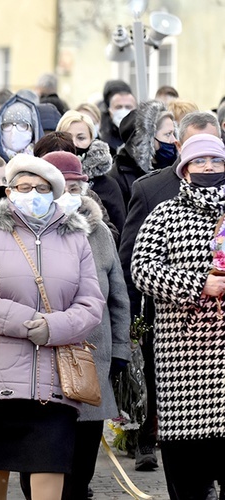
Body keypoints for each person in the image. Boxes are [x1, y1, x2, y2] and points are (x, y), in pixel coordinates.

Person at [0, 154, 104, 500]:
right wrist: (28, 324)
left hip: (54, 381)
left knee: (49, 464)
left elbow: (91, 304)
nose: (33, 194)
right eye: (24, 187)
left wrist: (53, 327)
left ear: (54, 194)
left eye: (42, 188)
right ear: (9, 192)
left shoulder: (76, 238)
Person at [20, 151, 131, 500]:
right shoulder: (23, 231)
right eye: (61, 185)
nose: (69, 192)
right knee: (38, 457)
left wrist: (120, 352)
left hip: (90, 359)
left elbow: (118, 298)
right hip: (36, 358)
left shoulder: (99, 233)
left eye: (75, 185)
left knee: (81, 462)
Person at [117, 111, 221, 473]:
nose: (208, 166)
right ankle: (146, 438)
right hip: (182, 350)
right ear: (184, 162)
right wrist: (197, 284)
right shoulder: (159, 205)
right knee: (189, 467)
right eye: (199, 159)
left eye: (215, 158)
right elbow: (138, 266)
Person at [56, 110, 126, 234]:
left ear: (92, 141)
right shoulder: (46, 181)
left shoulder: (107, 184)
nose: (74, 144)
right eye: (67, 137)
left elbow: (119, 232)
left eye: (81, 138)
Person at [110, 100, 175, 209]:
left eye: (173, 133)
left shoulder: (174, 169)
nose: (173, 140)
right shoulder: (118, 177)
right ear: (146, 140)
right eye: (167, 134)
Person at [0, 94, 43, 161]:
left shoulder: (43, 163)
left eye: (23, 125)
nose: (14, 131)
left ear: (33, 130)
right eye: (7, 125)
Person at [98, 80, 136, 156]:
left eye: (128, 107)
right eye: (119, 107)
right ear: (110, 110)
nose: (123, 111)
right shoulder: (101, 135)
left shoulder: (144, 134)